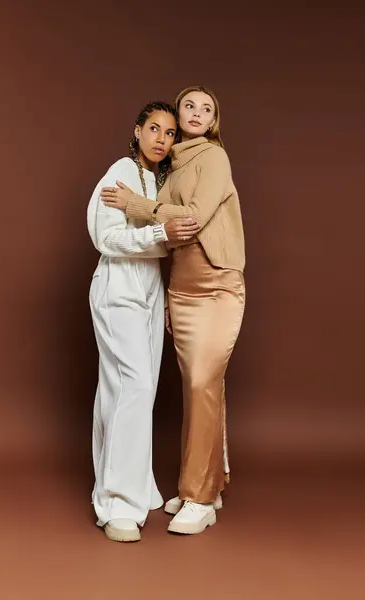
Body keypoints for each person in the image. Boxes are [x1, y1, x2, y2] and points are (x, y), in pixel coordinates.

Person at [101, 86, 246, 536]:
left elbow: (192, 220)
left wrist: (136, 206)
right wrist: (165, 296)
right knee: (200, 388)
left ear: (214, 119)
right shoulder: (171, 169)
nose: (198, 113)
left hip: (218, 284)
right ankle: (206, 484)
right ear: (177, 117)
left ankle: (200, 499)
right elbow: (171, 242)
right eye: (189, 106)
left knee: (203, 380)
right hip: (181, 290)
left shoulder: (215, 158)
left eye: (207, 108)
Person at [87, 100, 199, 543]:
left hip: (149, 288)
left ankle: (131, 484)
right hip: (118, 286)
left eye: (170, 133)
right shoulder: (119, 170)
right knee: (131, 384)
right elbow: (105, 236)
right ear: (137, 131)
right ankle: (115, 502)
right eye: (154, 129)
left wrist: (166, 299)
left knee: (132, 387)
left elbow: (169, 239)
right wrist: (159, 233)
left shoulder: (159, 181)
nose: (161, 139)